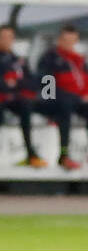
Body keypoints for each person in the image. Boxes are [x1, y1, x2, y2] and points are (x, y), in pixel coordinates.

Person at [36, 24, 88, 170]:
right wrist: (53, 99)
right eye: (66, 40)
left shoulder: (79, 60)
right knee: (66, 106)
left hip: (77, 101)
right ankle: (64, 155)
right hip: (57, 101)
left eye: (72, 40)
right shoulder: (50, 57)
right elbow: (46, 84)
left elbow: (87, 81)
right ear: (59, 40)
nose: (69, 44)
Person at [0, 23, 45, 167]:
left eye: (9, 37)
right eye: (3, 37)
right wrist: (8, 84)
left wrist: (16, 83)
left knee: (28, 106)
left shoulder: (19, 60)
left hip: (16, 100)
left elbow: (32, 83)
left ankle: (31, 154)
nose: (6, 40)